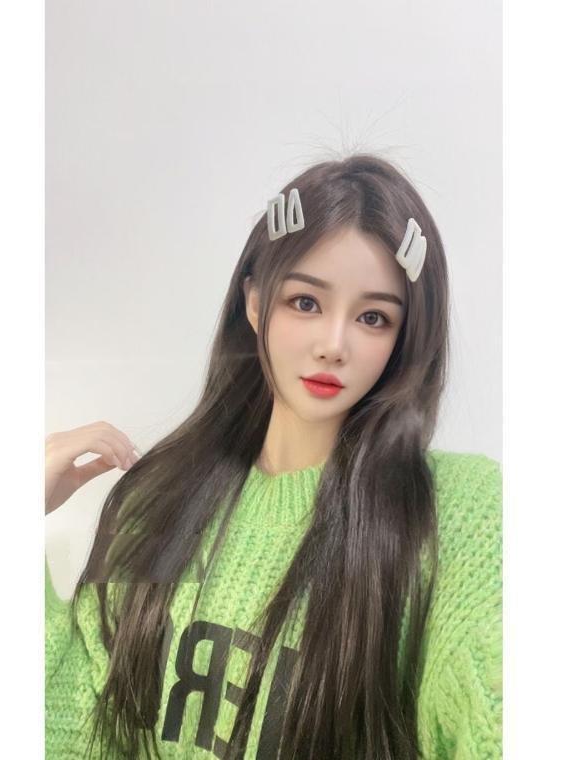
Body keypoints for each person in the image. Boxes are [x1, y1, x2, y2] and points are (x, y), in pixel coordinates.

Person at [45, 153, 502, 759]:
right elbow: (75, 732)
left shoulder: (455, 512)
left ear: (403, 338)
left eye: (373, 317)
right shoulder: (156, 504)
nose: (332, 345)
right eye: (305, 302)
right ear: (256, 303)